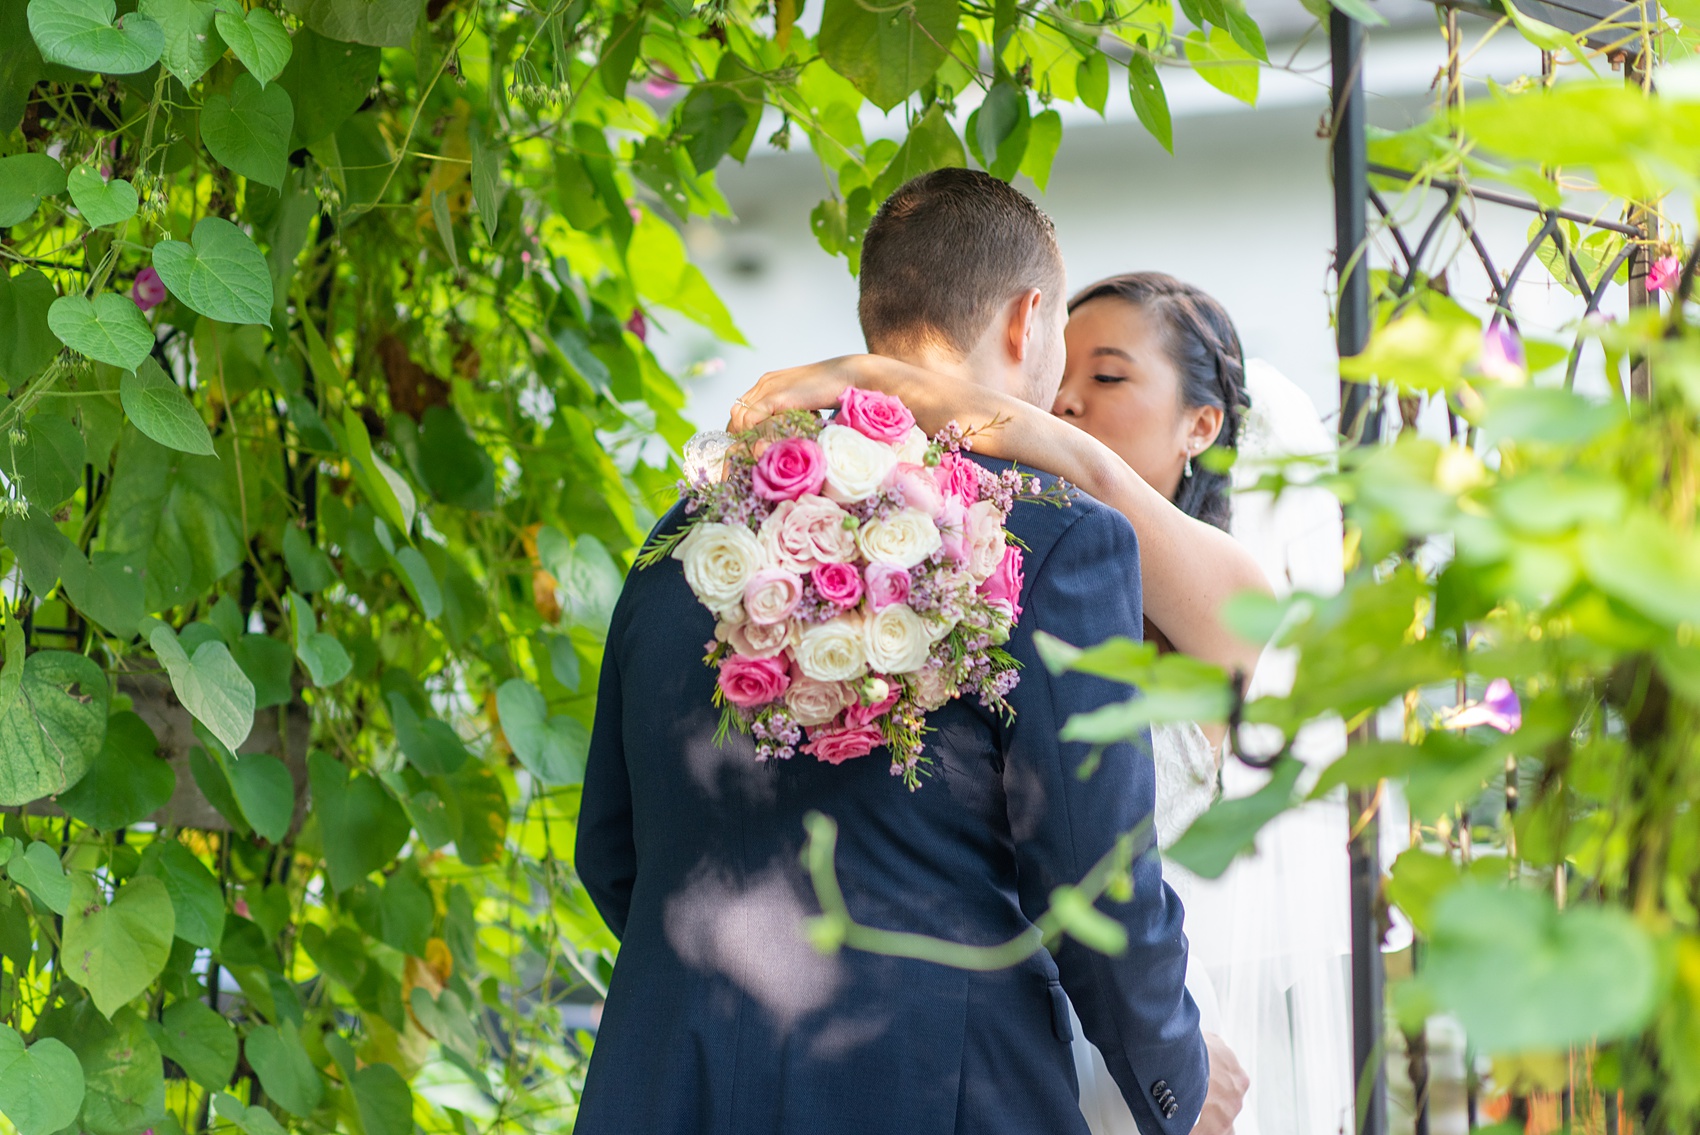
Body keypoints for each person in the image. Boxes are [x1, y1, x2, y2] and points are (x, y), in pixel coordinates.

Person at [576, 168, 1249, 1135]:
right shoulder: (1059, 536)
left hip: (676, 1084)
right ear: (1028, 321)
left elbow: (611, 847)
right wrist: (1176, 1078)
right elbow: (1095, 882)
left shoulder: (685, 536)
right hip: (942, 1090)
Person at [731, 274, 1355, 1134]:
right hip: (998, 1035)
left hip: (1147, 1027)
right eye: (1066, 370)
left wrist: (868, 374)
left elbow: (1093, 474)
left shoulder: (1231, 586)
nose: (1067, 400)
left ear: (1201, 426)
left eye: (1109, 377)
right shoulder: (1002, 571)